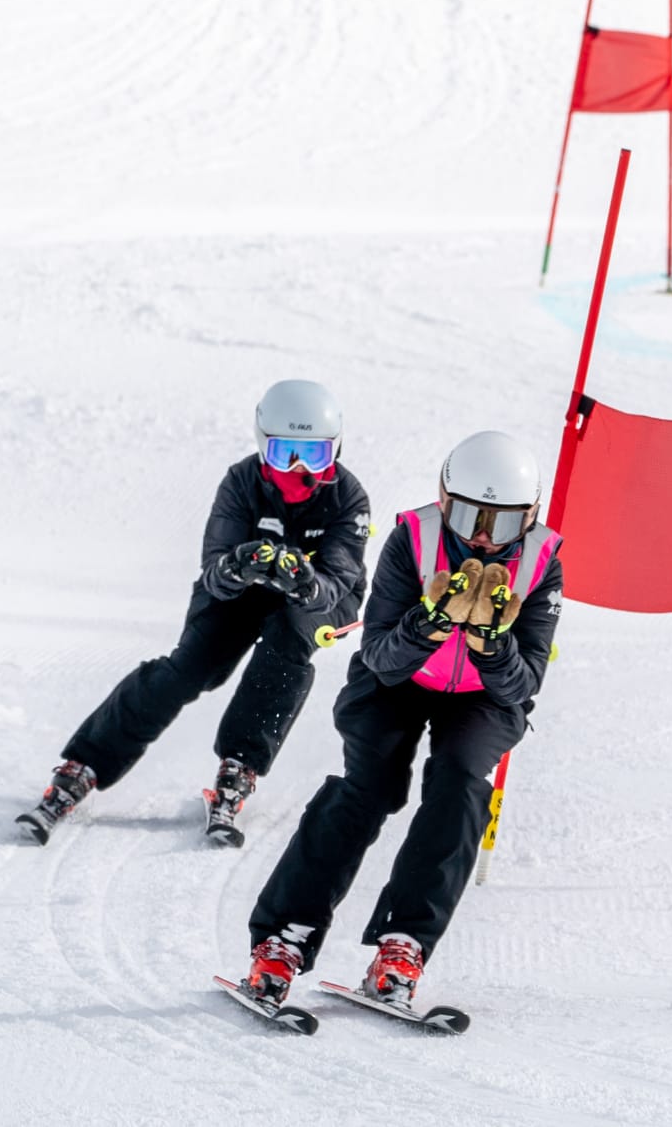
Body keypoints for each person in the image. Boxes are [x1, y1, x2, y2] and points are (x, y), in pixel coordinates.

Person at [238, 430, 563, 1009]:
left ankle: (403, 944)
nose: (483, 537)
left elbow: (524, 683)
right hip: (395, 683)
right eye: (468, 515)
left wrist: (492, 643)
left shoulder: (542, 562)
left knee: (461, 787)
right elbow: (381, 656)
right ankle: (283, 940)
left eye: (505, 524)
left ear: (531, 517)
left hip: (480, 696)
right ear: (443, 500)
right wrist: (429, 625)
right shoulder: (412, 539)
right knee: (370, 787)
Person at [16, 380, 372, 847]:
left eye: (315, 456)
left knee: (288, 644)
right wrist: (238, 565)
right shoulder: (242, 482)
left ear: (336, 451)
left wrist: (304, 580)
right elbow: (213, 570)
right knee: (192, 668)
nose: (300, 469)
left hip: (317, 598)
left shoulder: (348, 498)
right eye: (286, 454)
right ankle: (84, 764)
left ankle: (240, 766)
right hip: (243, 588)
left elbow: (340, 581)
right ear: (264, 444)